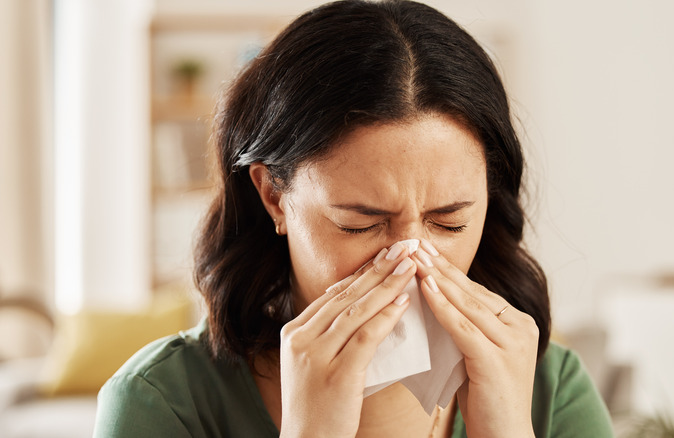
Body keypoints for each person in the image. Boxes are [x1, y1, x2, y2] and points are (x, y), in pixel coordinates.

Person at [94, 1, 614, 437]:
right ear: (274, 195)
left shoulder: (551, 391)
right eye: (359, 224)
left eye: (449, 222)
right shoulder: (162, 402)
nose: (411, 261)